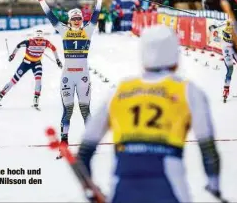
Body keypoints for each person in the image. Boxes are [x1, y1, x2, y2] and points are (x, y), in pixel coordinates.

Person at [77, 25, 223, 203]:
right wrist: (214, 185)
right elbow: (208, 147)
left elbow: (84, 152)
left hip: (123, 184)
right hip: (169, 184)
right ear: (175, 56)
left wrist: (90, 190)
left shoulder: (120, 90)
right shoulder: (188, 90)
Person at [35, 0, 103, 158]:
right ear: (69, 20)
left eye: (79, 18)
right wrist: (41, 0)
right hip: (68, 77)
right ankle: (64, 142)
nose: (77, 21)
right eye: (74, 19)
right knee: (68, 110)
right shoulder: (63, 30)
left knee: (85, 110)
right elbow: (51, 17)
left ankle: (90, 143)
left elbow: (96, 15)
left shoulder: (87, 30)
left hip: (83, 77)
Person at [0, 29, 62, 109]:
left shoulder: (45, 42)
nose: (39, 41)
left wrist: (58, 60)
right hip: (25, 63)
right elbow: (18, 46)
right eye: (37, 39)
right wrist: (12, 55)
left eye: (41, 39)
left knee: (38, 80)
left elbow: (54, 49)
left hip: (37, 63)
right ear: (34, 38)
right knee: (13, 81)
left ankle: (36, 99)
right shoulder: (28, 42)